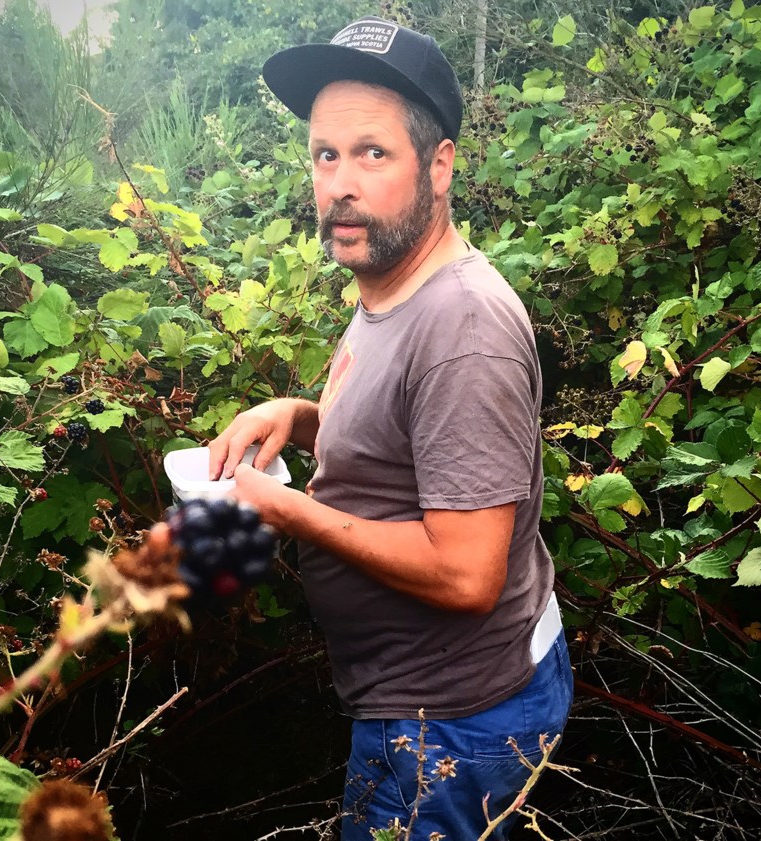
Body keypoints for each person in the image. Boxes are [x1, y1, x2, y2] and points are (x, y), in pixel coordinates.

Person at [206, 17, 573, 840]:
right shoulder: (393, 281)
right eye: (324, 155)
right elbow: (400, 443)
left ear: (439, 165)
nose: (340, 183)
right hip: (433, 699)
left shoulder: (462, 330)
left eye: (372, 153)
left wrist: (286, 510)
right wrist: (296, 418)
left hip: (449, 726)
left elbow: (467, 574)